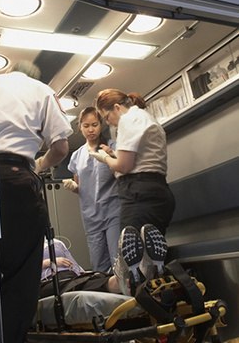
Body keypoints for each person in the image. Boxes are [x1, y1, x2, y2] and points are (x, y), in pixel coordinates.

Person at [0, 60, 73, 343]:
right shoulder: (42, 90)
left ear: (12, 68)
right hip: (16, 179)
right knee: (21, 273)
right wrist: (38, 165)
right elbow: (61, 147)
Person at [92, 89, 175, 236]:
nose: (108, 122)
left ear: (117, 107)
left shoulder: (127, 120)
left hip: (140, 195)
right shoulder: (145, 117)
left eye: (107, 116)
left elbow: (124, 167)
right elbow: (141, 160)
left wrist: (104, 158)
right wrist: (113, 154)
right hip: (156, 192)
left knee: (134, 253)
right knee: (150, 252)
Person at [62, 107, 120, 273]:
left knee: (118, 261)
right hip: (91, 217)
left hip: (113, 212)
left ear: (100, 124)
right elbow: (81, 188)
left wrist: (112, 157)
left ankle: (125, 296)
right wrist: (73, 187)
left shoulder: (112, 147)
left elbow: (122, 177)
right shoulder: (76, 156)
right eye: (86, 125)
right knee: (99, 266)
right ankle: (106, 297)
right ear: (79, 127)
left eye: (94, 124)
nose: (91, 129)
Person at [40, 224, 168, 298]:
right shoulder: (26, 249)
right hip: (46, 282)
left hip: (71, 276)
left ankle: (142, 272)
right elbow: (20, 270)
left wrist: (86, 273)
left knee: (91, 278)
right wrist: (48, 263)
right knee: (71, 286)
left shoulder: (56, 243)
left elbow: (76, 266)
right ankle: (127, 277)